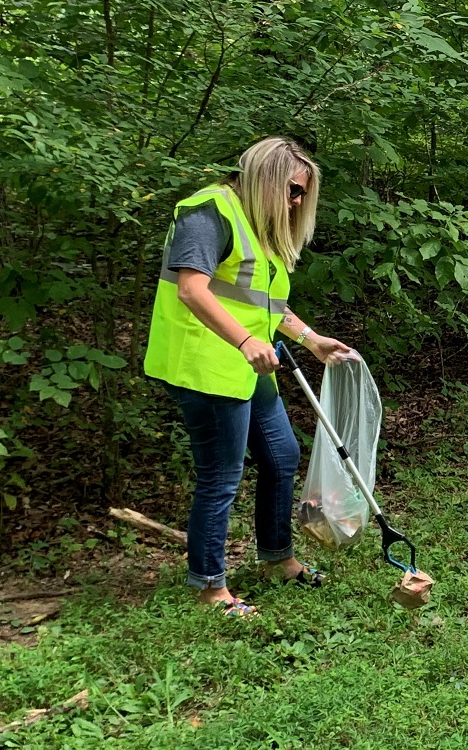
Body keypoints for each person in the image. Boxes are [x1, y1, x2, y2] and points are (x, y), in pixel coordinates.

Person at [143, 137, 356, 615]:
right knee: (220, 475)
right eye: (294, 190)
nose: (297, 202)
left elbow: (267, 305)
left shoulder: (259, 228)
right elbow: (191, 290)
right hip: (205, 364)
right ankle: (208, 589)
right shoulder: (208, 211)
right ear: (266, 178)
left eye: (302, 194)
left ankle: (277, 559)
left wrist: (311, 339)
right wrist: (243, 341)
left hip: (247, 366)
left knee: (282, 455)